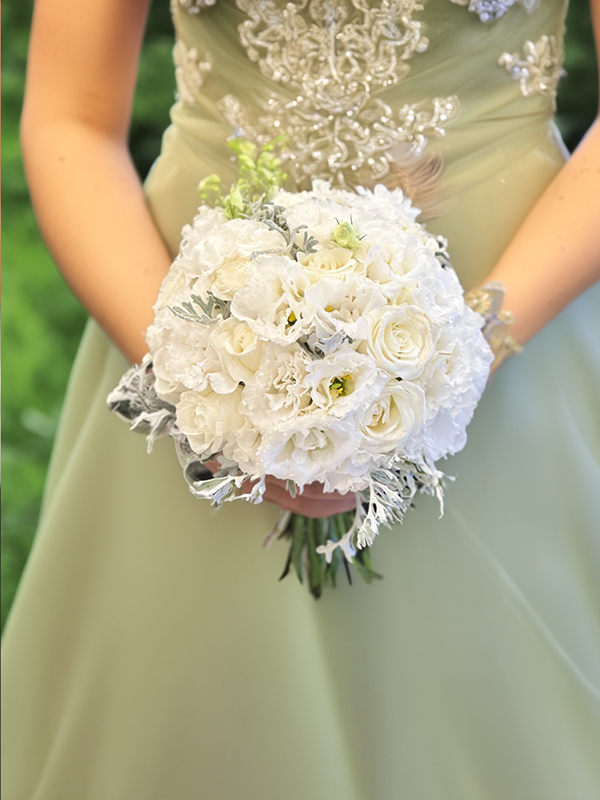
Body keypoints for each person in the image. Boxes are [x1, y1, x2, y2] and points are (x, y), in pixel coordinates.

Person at [2, 0, 600, 797]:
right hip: (193, 306)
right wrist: (198, 378)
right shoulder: (193, 357)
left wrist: (452, 362)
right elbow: (71, 116)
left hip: (512, 292)